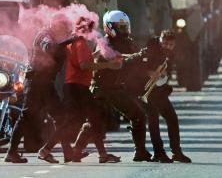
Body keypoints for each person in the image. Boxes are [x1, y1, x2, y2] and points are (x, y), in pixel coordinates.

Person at [4, 13, 76, 164]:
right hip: (37, 83)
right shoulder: (45, 36)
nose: (65, 30)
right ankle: (13, 152)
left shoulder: (55, 37)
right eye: (63, 27)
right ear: (56, 25)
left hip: (45, 83)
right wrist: (69, 41)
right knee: (27, 117)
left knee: (60, 118)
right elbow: (49, 48)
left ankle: (65, 152)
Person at [91, 10, 152, 162]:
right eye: (120, 27)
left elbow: (134, 64)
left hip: (115, 88)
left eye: (125, 26)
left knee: (97, 122)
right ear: (110, 27)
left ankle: (140, 151)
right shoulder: (105, 44)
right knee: (96, 122)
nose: (124, 30)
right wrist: (140, 56)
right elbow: (121, 63)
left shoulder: (127, 42)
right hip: (104, 89)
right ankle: (140, 151)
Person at [123, 30, 191, 163]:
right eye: (165, 43)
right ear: (160, 40)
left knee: (172, 118)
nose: (167, 46)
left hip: (157, 90)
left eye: (170, 44)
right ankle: (159, 152)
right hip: (141, 89)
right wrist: (149, 73)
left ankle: (176, 152)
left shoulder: (170, 54)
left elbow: (166, 74)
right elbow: (135, 67)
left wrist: (163, 75)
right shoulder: (150, 49)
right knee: (153, 118)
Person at [65, 16, 121, 163]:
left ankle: (85, 153)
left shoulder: (75, 42)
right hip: (79, 87)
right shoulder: (80, 43)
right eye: (90, 28)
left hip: (76, 86)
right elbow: (84, 66)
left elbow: (85, 60)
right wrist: (108, 65)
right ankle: (100, 154)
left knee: (85, 120)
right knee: (90, 120)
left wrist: (99, 54)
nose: (92, 32)